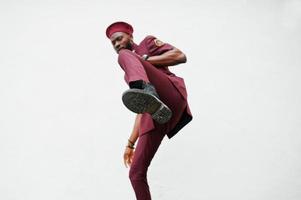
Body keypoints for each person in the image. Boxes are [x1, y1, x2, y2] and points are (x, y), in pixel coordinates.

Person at [105, 21, 193, 200]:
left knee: (125, 55)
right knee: (136, 173)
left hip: (170, 96)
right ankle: (146, 90)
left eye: (119, 39)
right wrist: (130, 144)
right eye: (113, 43)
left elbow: (180, 56)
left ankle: (147, 89)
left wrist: (145, 59)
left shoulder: (147, 44)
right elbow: (142, 108)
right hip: (157, 114)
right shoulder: (131, 69)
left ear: (130, 36)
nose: (117, 45)